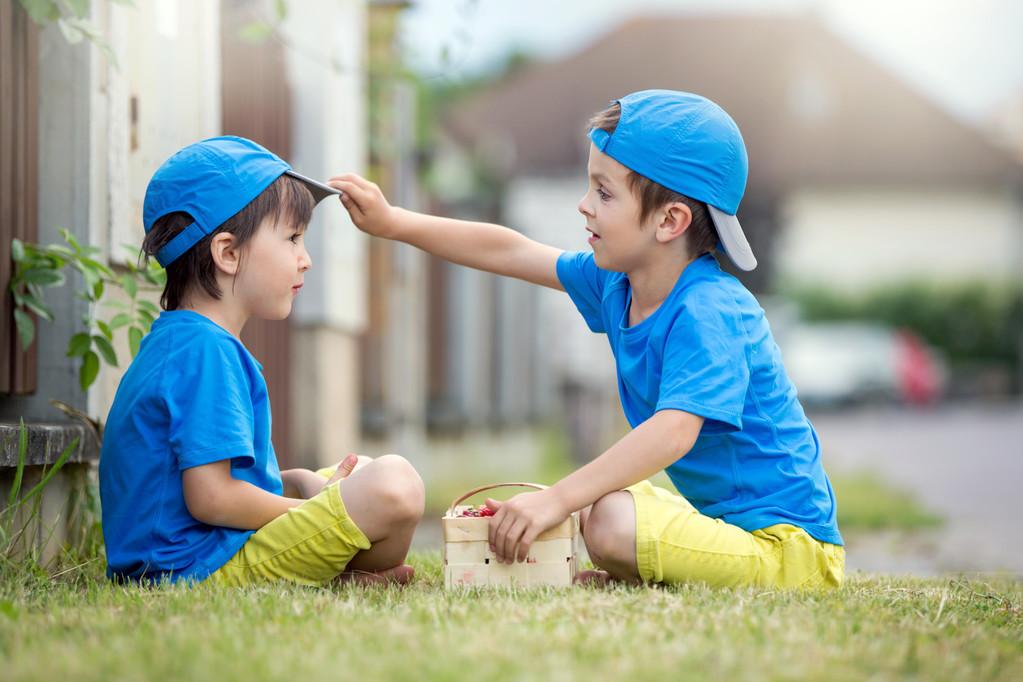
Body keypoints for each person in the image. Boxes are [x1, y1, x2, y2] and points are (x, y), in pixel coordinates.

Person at [330, 91, 844, 589]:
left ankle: (662, 561)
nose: (584, 205)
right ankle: (659, 563)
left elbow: (673, 432)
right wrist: (394, 222)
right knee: (608, 512)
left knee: (610, 523)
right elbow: (510, 251)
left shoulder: (710, 309)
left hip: (789, 549)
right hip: (729, 532)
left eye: (603, 192)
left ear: (670, 220)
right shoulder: (617, 283)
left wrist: (557, 498)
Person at [100, 136, 423, 587]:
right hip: (196, 569)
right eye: (292, 238)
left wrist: (301, 483)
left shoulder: (187, 340)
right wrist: (313, 512)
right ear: (227, 253)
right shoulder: (205, 350)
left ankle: (343, 573)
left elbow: (208, 483)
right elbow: (211, 499)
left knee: (367, 470)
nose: (305, 260)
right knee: (395, 483)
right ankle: (342, 577)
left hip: (200, 554)